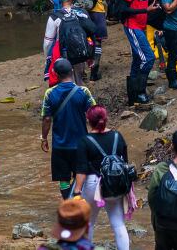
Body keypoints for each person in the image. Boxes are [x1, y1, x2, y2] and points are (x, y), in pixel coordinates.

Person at [72, 106, 133, 250]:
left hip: (94, 185)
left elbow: (81, 170)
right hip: (116, 184)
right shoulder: (118, 136)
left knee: (88, 222)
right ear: (106, 119)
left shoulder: (85, 141)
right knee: (118, 224)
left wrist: (77, 191)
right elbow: (124, 162)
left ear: (89, 121)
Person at [41, 58, 97, 199]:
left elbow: (47, 119)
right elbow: (94, 114)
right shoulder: (83, 91)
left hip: (60, 145)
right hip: (81, 144)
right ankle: (79, 199)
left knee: (63, 178)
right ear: (72, 71)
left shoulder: (49, 93)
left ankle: (68, 202)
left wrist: (44, 138)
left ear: (55, 73)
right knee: (81, 173)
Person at [119, 0, 158, 105]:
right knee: (148, 58)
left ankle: (132, 95)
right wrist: (145, 9)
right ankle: (140, 92)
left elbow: (140, 1)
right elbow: (124, 8)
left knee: (137, 59)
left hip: (141, 26)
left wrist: (150, 3)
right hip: (132, 26)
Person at [44, 0, 98, 86]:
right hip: (81, 52)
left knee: (66, 81)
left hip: (63, 53)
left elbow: (48, 42)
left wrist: (48, 57)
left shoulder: (54, 17)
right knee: (79, 78)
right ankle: (81, 96)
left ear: (59, 0)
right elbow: (91, 33)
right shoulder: (82, 12)